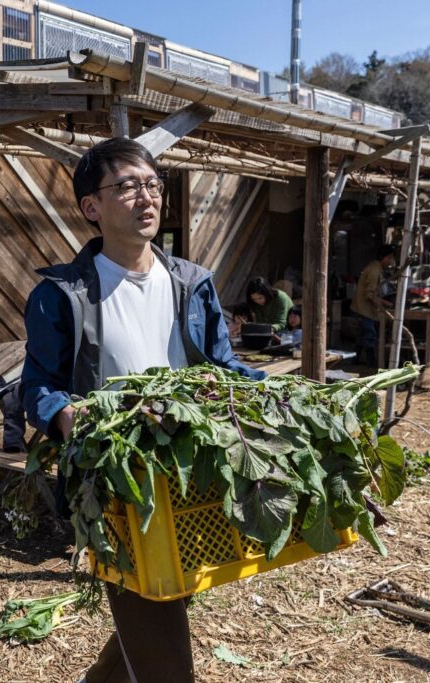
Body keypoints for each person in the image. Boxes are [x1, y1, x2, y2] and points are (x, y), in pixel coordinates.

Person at [20, 137, 266, 683]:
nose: (147, 197)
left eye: (153, 185)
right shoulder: (62, 294)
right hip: (118, 477)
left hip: (188, 468)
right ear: (92, 207)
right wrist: (64, 415)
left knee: (163, 590)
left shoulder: (191, 282)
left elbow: (222, 366)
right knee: (155, 611)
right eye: (128, 186)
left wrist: (276, 396)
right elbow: (37, 385)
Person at [351, 244, 396, 366]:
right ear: (384, 257)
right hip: (364, 309)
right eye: (390, 258)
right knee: (369, 335)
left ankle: (356, 360)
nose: (391, 261)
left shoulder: (376, 268)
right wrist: (386, 303)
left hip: (363, 308)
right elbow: (369, 295)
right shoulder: (375, 270)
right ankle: (371, 364)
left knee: (362, 335)